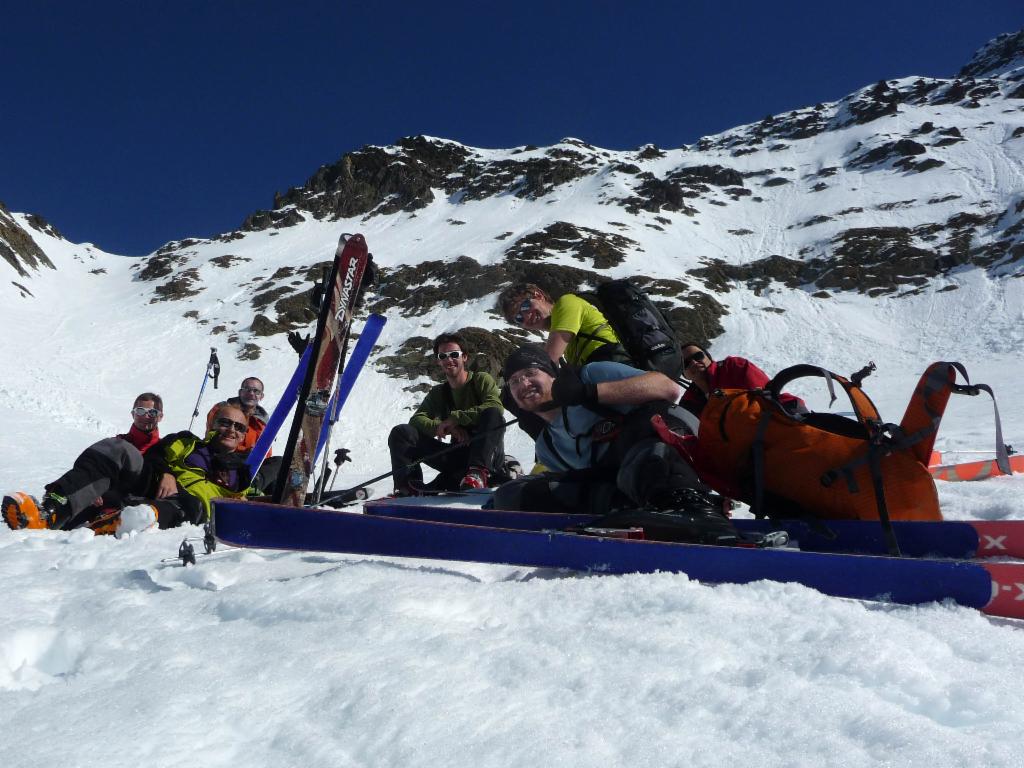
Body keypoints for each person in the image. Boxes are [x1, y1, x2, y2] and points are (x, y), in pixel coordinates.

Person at [493, 345, 737, 543]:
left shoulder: (590, 375)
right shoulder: (547, 447)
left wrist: (589, 393)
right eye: (514, 381)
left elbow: (668, 389)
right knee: (513, 494)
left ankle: (691, 507)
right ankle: (635, 512)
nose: (523, 384)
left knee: (651, 417)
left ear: (552, 374)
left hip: (673, 451)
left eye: (530, 373)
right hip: (624, 484)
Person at [3, 392, 174, 531]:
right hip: (113, 497)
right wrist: (93, 489)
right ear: (133, 414)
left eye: (152, 413)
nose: (146, 417)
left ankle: (50, 514)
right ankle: (45, 516)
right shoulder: (118, 443)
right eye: (140, 411)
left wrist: (168, 473)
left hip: (142, 491)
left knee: (116, 448)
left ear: (160, 417)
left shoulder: (162, 447)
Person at [387, 333, 506, 494]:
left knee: (491, 413)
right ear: (438, 361)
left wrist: (455, 419)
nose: (449, 360)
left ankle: (478, 474)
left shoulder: (480, 380)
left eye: (454, 355)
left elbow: (495, 407)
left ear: (464, 357)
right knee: (401, 433)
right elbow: (416, 420)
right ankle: (408, 487)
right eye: (443, 356)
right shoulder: (439, 393)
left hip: (488, 458)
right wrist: (444, 428)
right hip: (457, 458)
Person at [142, 403, 255, 525]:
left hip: (188, 509)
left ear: (243, 436)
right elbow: (154, 454)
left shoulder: (241, 473)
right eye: (225, 423)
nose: (232, 429)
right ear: (212, 425)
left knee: (191, 505)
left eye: (239, 427)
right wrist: (166, 473)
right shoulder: (188, 443)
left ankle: (141, 516)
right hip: (156, 487)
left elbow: (239, 501)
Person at [497, 283, 630, 367]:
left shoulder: (566, 303)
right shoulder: (566, 345)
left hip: (616, 365)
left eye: (525, 307)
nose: (526, 316)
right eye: (519, 318)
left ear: (539, 296)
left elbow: (549, 362)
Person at [679, 342, 805, 417]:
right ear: (683, 373)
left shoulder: (733, 367)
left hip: (773, 422)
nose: (694, 363)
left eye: (698, 356)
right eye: (686, 363)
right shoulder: (689, 402)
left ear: (708, 357)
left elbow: (765, 396)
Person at [205, 377, 270, 455]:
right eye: (247, 389)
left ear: (261, 396)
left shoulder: (262, 423)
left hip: (246, 462)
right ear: (240, 392)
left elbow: (266, 452)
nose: (251, 393)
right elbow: (213, 435)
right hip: (217, 455)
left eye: (256, 391)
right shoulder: (221, 409)